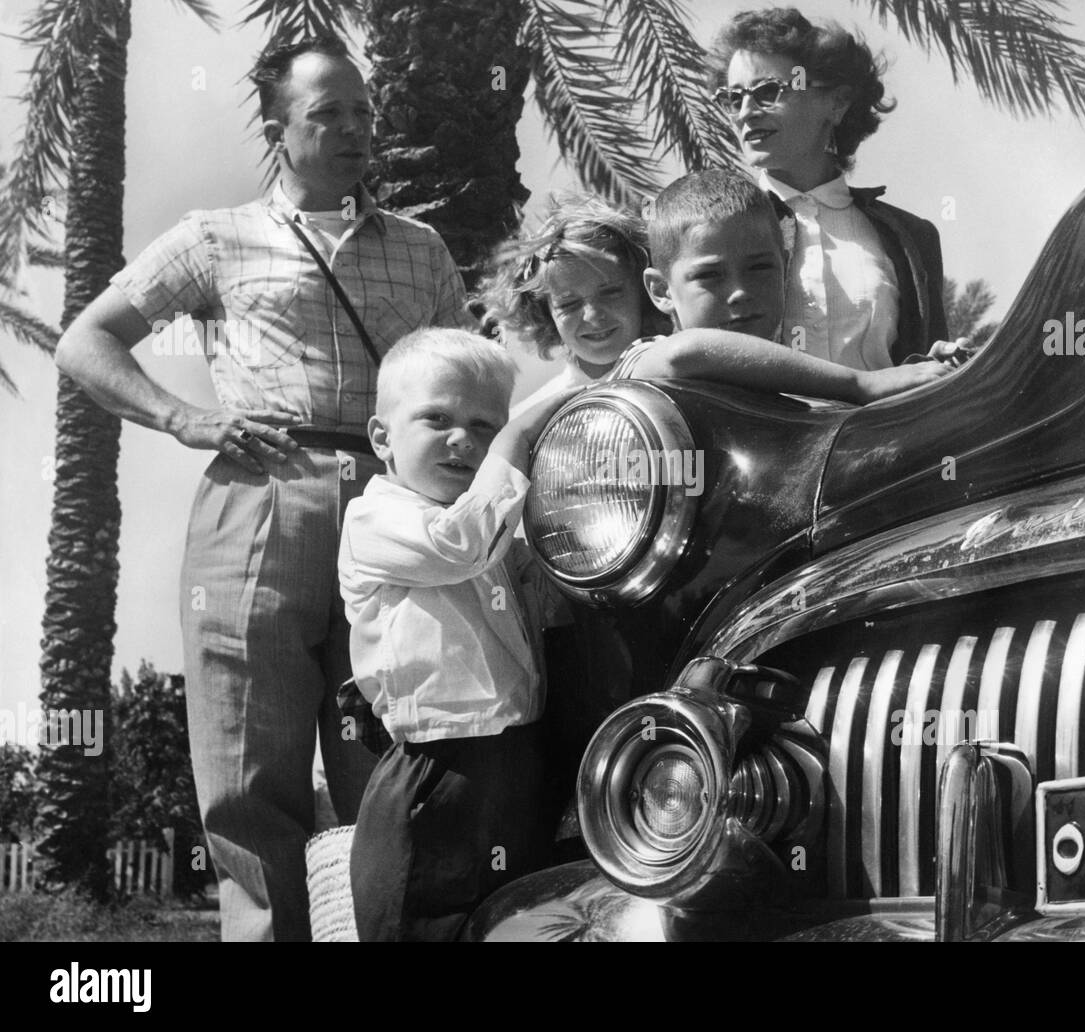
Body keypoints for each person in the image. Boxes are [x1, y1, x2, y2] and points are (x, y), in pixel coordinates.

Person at [53, 36, 467, 941]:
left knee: (393, 762)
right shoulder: (215, 238)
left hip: (392, 515)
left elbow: (467, 379)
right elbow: (87, 341)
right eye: (329, 114)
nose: (356, 128)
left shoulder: (422, 250)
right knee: (249, 772)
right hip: (258, 501)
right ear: (279, 131)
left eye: (363, 111)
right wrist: (184, 418)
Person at [338, 329, 574, 941]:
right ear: (382, 439)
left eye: (485, 426)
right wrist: (517, 435)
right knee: (422, 919)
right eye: (436, 419)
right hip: (435, 769)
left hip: (514, 759)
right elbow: (458, 547)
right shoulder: (376, 517)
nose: (463, 440)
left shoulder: (490, 525)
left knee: (506, 922)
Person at [710, 7, 968, 371]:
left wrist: (941, 361)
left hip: (884, 427)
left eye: (768, 91)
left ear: (837, 102)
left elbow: (920, 366)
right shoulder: (713, 228)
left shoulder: (912, 237)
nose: (745, 112)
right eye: (734, 98)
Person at [612, 169, 951, 401]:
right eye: (709, 275)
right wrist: (862, 383)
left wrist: (922, 374)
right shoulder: (645, 363)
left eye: (760, 268)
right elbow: (685, 352)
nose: (740, 291)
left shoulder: (792, 388)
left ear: (785, 266)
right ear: (660, 290)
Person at [475, 195, 665, 415]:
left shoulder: (688, 372)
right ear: (545, 315)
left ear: (644, 289)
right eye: (569, 304)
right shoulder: (532, 419)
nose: (593, 316)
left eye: (611, 292)